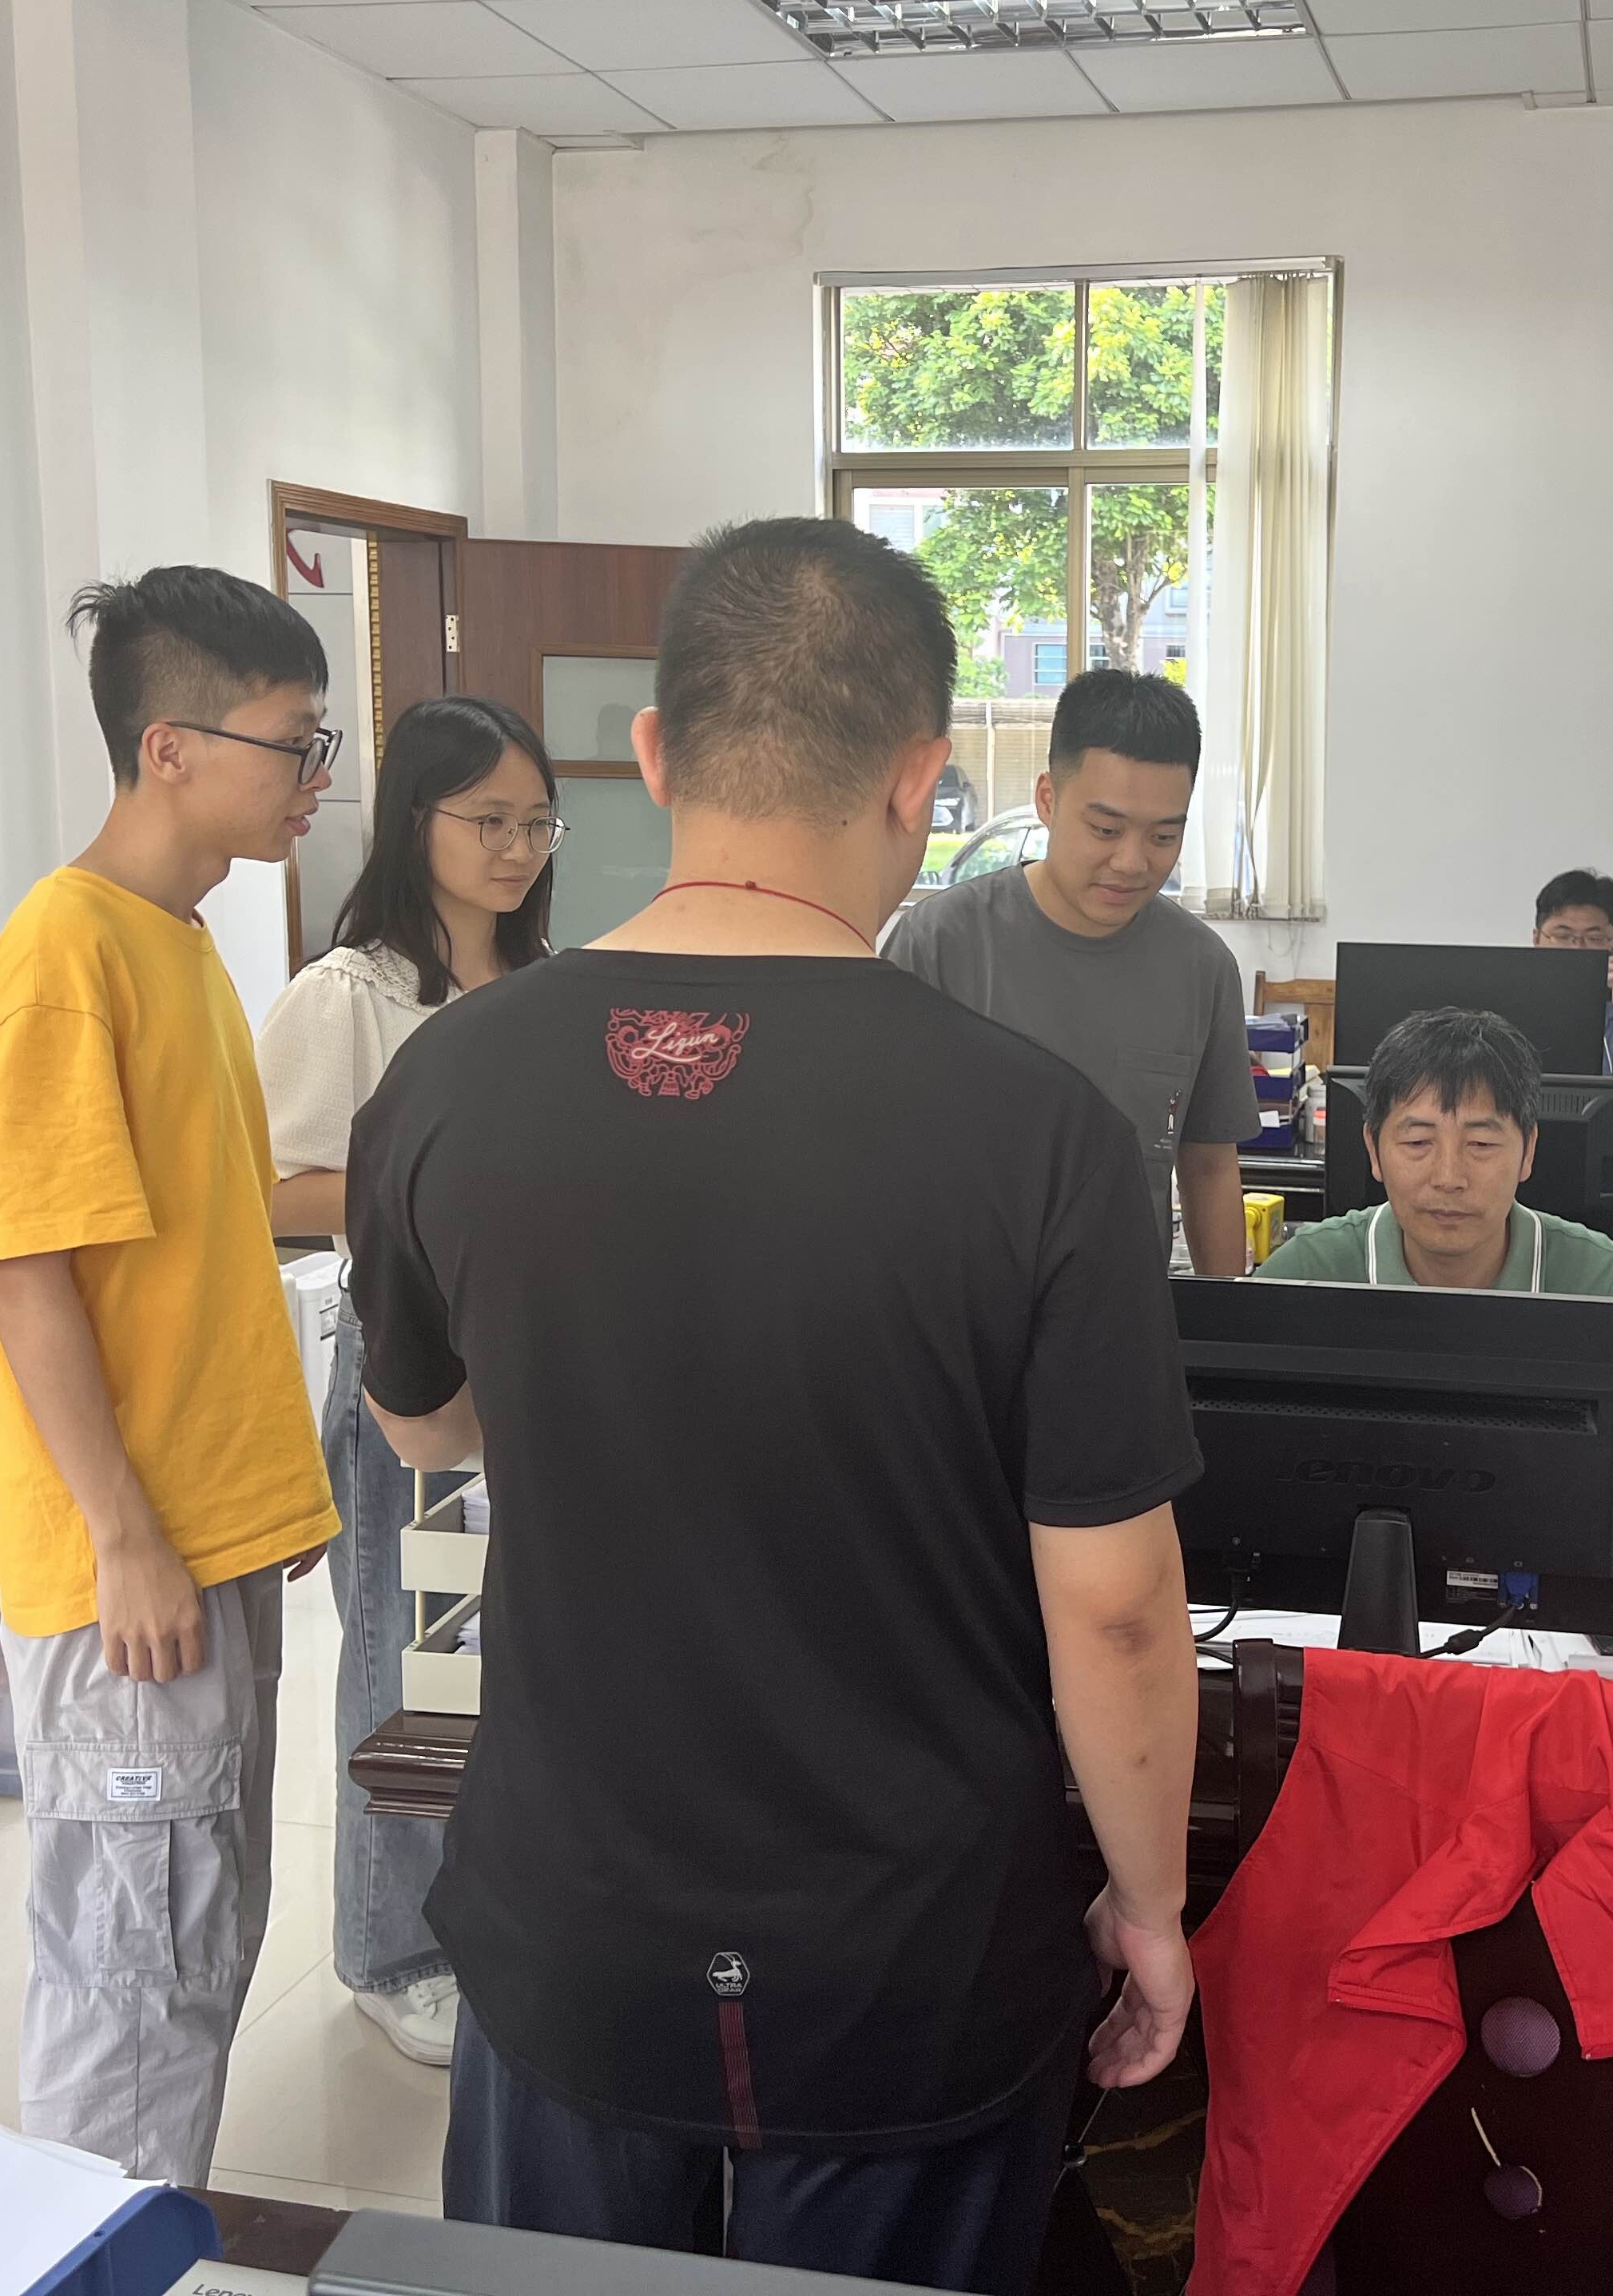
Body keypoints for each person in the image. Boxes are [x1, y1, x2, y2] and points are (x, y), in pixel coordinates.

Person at [347, 518, 1202, 2293]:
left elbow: (423, 1429)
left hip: (571, 1921)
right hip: (911, 1950)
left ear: (656, 754)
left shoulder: (444, 1078)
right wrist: (1149, 1904)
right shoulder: (1040, 1136)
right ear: (920, 782)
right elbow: (1116, 1608)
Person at [0, 567, 343, 2183]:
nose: (314, 775)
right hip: (132, 1562)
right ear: (171, 745)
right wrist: (123, 1533)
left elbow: (205, 1247)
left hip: (205, 1536)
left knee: (198, 1938)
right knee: (134, 1978)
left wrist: (256, 1500)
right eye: (293, 740)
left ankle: (135, 2236)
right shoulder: (66, 951)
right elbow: (25, 1271)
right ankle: (87, 2261)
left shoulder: (181, 944)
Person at [255, 697, 558, 2070]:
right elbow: (272, 1184)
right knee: (411, 1661)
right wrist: (444, 1182)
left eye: (536, 823)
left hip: (530, 1366)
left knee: (503, 1661)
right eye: (487, 819)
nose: (516, 848)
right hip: (406, 1367)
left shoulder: (546, 987)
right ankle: (391, 1949)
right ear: (415, 821)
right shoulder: (350, 993)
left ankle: (482, 1917)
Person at [1253, 1007, 1613, 1594]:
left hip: (1543, 1597)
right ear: (1374, 1151)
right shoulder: (1309, 1271)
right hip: (1336, 1591)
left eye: (1482, 1143)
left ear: (1529, 1151)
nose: (1449, 1176)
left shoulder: (1594, 1276)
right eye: (1417, 1141)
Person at [887, 667, 1254, 1274]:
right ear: (1047, 800)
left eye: (1164, 836)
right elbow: (883, 1154)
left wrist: (1230, 1322)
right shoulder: (940, 943)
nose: (1131, 862)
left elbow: (1210, 1166)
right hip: (957, 1305)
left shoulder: (1202, 967)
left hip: (1122, 1310)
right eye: (1105, 829)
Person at [1533, 868, 1613, 1072]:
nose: (1578, 949)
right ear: (1536, 939)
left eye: (1594, 938)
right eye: (1563, 936)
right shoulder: (1503, 1010)